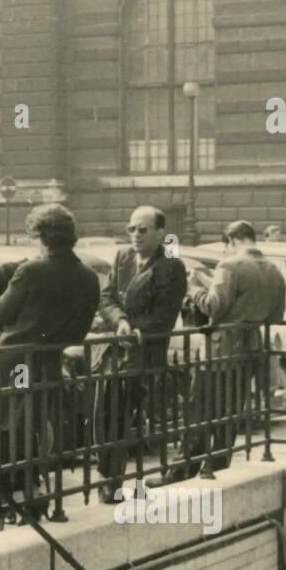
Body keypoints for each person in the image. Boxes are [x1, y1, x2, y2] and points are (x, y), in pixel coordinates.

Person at [0, 204, 100, 531]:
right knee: (32, 433)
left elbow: (1, 311)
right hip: (49, 364)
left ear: (41, 236)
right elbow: (80, 331)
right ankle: (29, 495)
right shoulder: (87, 277)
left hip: (11, 363)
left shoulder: (31, 271)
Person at [97, 205, 188, 502]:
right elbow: (107, 296)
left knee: (135, 416)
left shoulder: (171, 266)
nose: (135, 235)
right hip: (118, 349)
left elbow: (165, 312)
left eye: (143, 230)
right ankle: (108, 481)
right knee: (107, 414)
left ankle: (132, 480)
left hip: (145, 353)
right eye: (131, 229)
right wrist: (120, 321)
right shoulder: (123, 257)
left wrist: (138, 331)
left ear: (161, 233)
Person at [183, 219, 286, 474]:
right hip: (250, 348)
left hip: (220, 350)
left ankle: (183, 471)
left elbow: (214, 306)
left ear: (233, 240)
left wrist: (194, 288)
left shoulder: (229, 265)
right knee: (230, 414)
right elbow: (276, 317)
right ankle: (218, 467)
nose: (225, 251)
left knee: (200, 412)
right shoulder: (273, 269)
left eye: (225, 245)